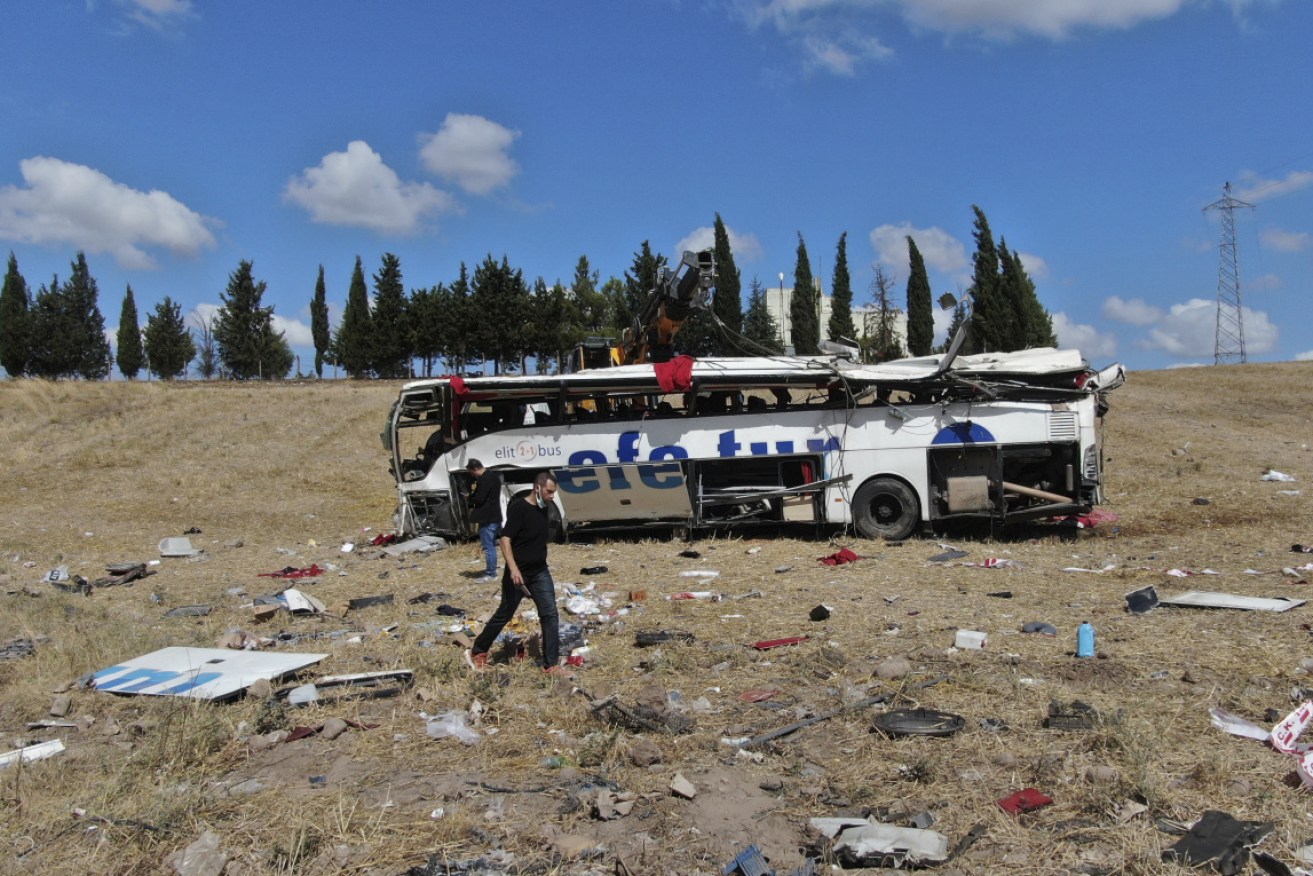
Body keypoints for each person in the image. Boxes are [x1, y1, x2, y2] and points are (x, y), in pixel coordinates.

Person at [465, 472, 570, 677]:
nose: (551, 496)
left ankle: (551, 665)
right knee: (505, 613)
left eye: (554, 493)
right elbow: (505, 540)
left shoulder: (544, 509)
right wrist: (513, 569)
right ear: (537, 488)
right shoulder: (519, 508)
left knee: (550, 615)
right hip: (518, 574)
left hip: (540, 572)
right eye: (549, 492)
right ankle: (478, 651)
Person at [466, 460, 502, 583]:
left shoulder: (484, 479)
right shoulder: (494, 477)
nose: (472, 476)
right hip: (495, 516)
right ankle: (491, 569)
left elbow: (480, 499)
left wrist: (470, 499)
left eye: (472, 473)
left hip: (487, 517)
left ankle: (491, 573)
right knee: (492, 545)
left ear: (475, 469)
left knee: (488, 546)